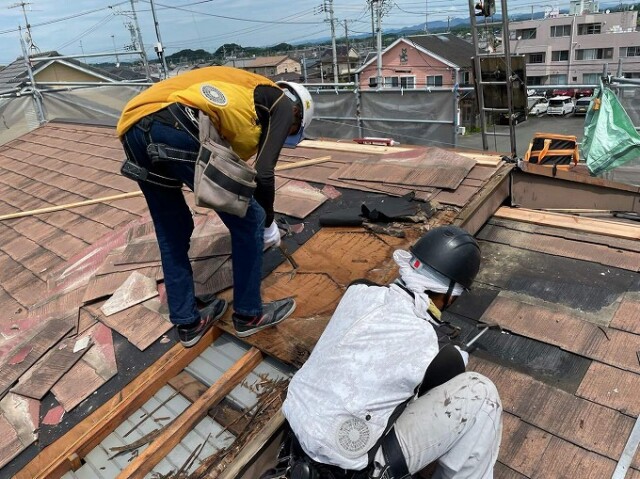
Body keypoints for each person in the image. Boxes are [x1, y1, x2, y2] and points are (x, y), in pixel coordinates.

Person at [274, 225, 503, 479]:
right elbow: (441, 376)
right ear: (450, 296)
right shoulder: (432, 345)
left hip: (295, 448)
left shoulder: (358, 291)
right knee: (481, 394)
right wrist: (454, 358)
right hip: (350, 469)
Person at [116, 66, 314, 347]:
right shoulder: (281, 102)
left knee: (173, 230)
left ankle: (188, 322)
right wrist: (268, 223)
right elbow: (264, 174)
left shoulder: (244, 97)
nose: (285, 135)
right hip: (172, 121)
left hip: (132, 128)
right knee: (249, 219)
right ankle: (249, 315)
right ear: (298, 115)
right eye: (291, 132)